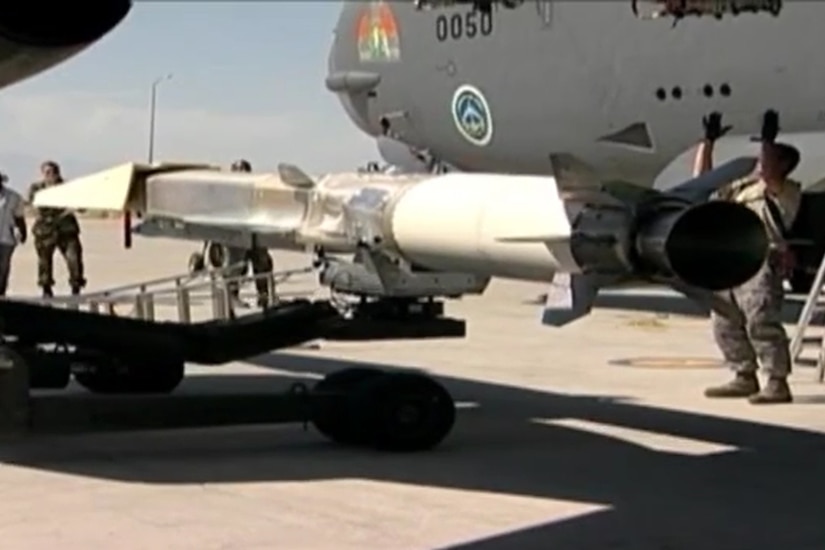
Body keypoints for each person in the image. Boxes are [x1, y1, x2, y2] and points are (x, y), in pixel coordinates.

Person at [696, 110, 801, 404]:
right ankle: (744, 374)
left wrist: (768, 139)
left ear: (784, 164)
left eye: (769, 155)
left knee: (761, 321)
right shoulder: (742, 188)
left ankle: (777, 382)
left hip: (760, 260)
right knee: (724, 321)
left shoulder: (784, 191)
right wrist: (708, 142)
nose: (760, 160)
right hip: (730, 259)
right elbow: (703, 182)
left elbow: (768, 172)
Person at [27, 161, 86, 297]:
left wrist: (73, 206)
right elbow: (35, 204)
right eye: (47, 172)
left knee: (74, 259)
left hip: (66, 230)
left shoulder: (68, 187)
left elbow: (82, 205)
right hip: (45, 230)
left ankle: (76, 286)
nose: (50, 175)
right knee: (44, 261)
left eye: (53, 172)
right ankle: (46, 287)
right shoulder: (37, 188)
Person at [224, 159, 274, 308]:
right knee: (236, 267)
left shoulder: (256, 191)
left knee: (262, 263)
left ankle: (264, 296)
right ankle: (231, 297)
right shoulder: (228, 194)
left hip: (255, 233)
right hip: (237, 235)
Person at [0, 172, 26, 296]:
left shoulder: (14, 197)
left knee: (3, 266)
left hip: (7, 237)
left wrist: (23, 232)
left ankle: (1, 291)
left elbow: (19, 216)